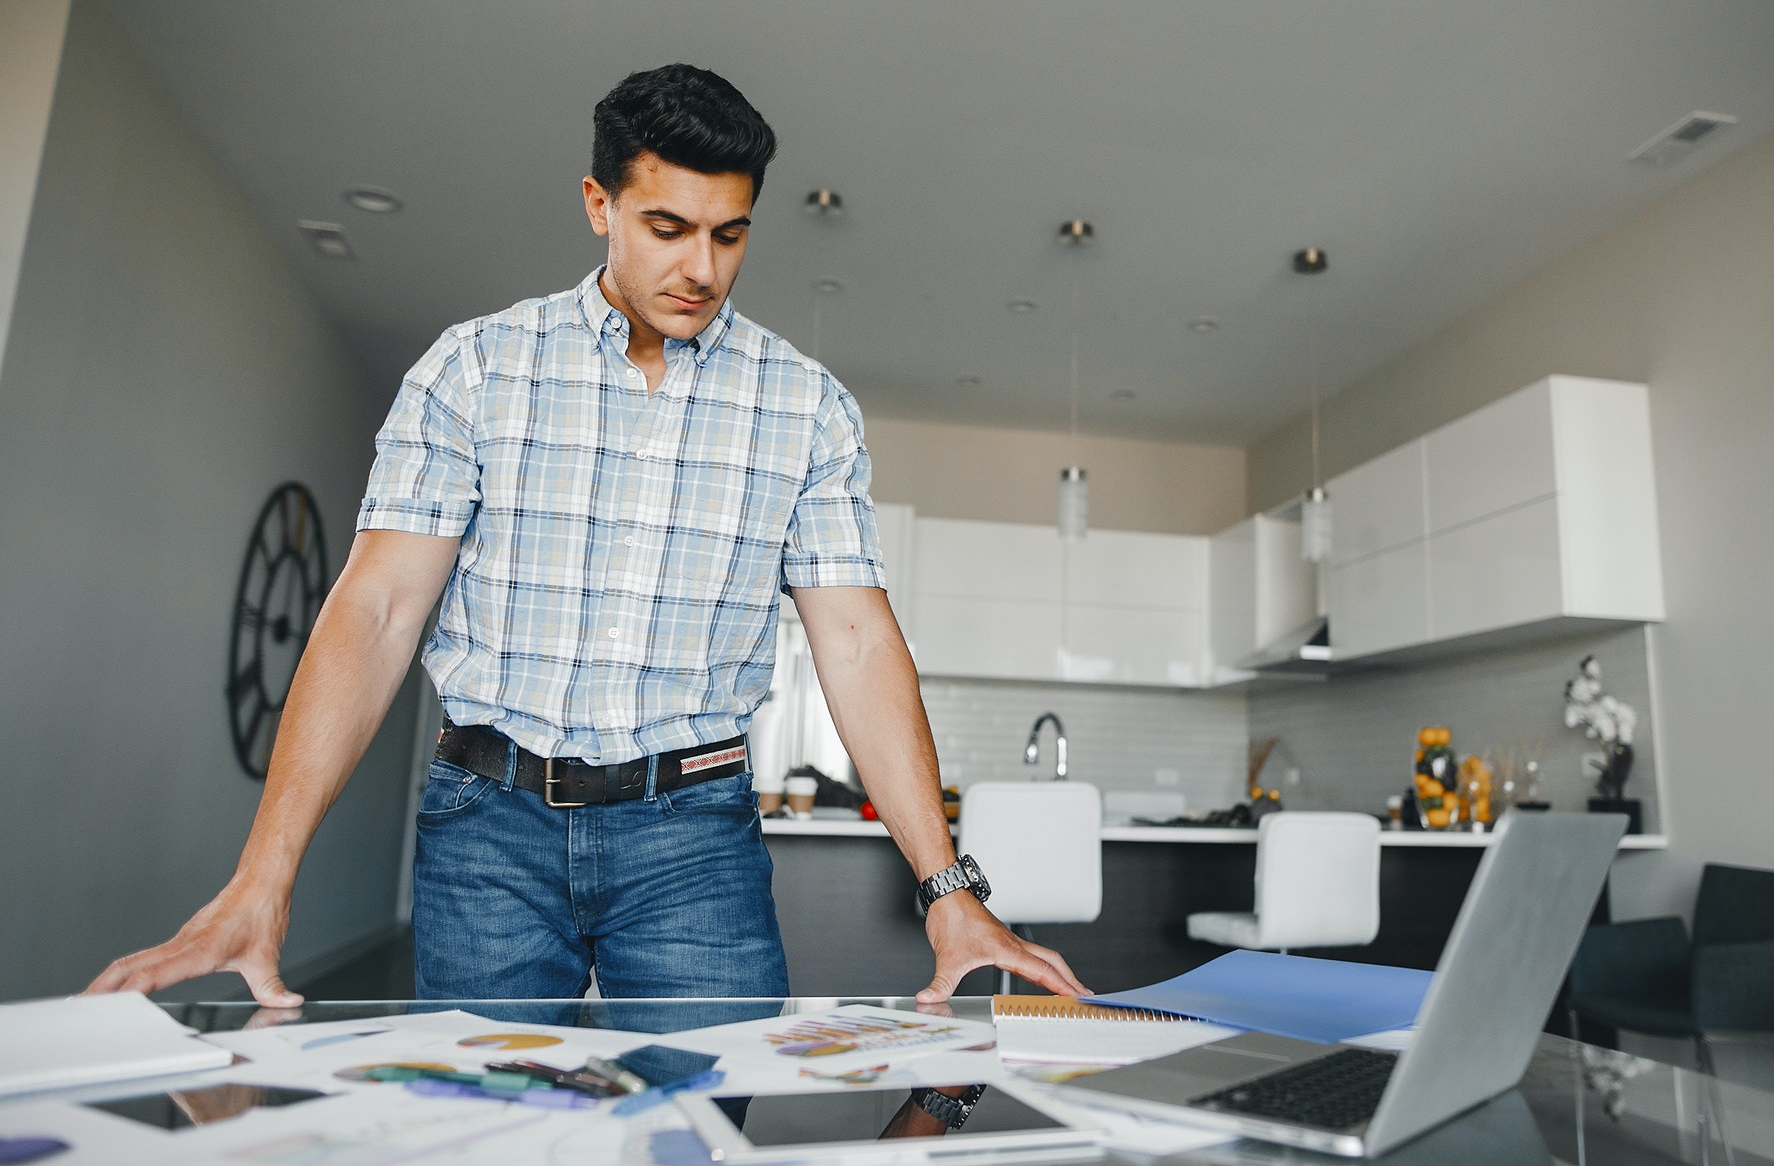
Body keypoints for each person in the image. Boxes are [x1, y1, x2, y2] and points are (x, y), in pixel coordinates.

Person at [88, 64, 1087, 1005]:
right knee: (485, 1129)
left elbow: (858, 641)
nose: (701, 268)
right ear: (597, 205)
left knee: (700, 1126)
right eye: (667, 226)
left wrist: (948, 889)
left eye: (729, 234)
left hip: (695, 837)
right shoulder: (473, 369)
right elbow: (378, 611)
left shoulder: (805, 406)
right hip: (489, 828)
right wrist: (266, 876)